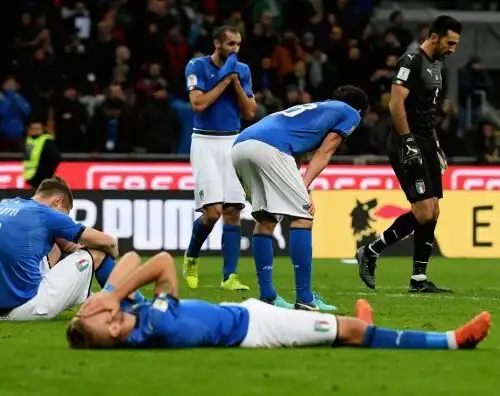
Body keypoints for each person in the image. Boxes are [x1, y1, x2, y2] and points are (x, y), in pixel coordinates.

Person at [69, 251, 490, 350]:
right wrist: (111, 296)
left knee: (343, 326)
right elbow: (160, 261)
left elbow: (124, 257)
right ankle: (453, 340)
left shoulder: (129, 317)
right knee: (355, 332)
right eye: (103, 313)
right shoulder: (154, 325)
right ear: (109, 326)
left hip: (245, 312)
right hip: (256, 330)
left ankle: (349, 322)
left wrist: (108, 294)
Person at [231, 85, 368, 311]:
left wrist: (300, 188)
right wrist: (304, 191)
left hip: (241, 145)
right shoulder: (350, 113)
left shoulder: (311, 111)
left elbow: (293, 159)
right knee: (303, 217)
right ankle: (305, 298)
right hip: (270, 149)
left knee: (266, 220)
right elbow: (324, 153)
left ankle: (267, 296)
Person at [356, 15, 462, 293]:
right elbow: (395, 104)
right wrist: (408, 142)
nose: (453, 49)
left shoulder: (436, 65)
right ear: (434, 37)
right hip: (408, 144)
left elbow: (427, 113)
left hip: (427, 143)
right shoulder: (411, 60)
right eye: (450, 43)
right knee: (424, 211)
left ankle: (418, 279)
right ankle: (371, 251)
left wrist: (436, 146)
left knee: (433, 210)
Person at [183, 25, 257, 292]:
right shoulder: (197, 67)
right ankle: (191, 257)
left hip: (233, 141)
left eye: (238, 44)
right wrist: (224, 80)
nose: (235, 49)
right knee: (212, 212)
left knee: (233, 211)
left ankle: (230, 277)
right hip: (204, 141)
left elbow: (249, 112)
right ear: (217, 43)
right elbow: (198, 104)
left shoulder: (243, 71)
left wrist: (235, 81)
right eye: (230, 44)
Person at [0, 176, 129, 320]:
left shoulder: (6, 205)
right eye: (65, 213)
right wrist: (113, 254)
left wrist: (66, 244)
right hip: (22, 308)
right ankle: (134, 307)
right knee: (98, 253)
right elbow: (109, 242)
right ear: (58, 201)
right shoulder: (47, 214)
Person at [24, 117, 61, 189]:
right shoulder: (28, 140)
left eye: (37, 129)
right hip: (30, 177)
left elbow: (55, 157)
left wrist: (48, 174)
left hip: (42, 177)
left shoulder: (47, 141)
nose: (35, 131)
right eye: (33, 129)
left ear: (42, 129)